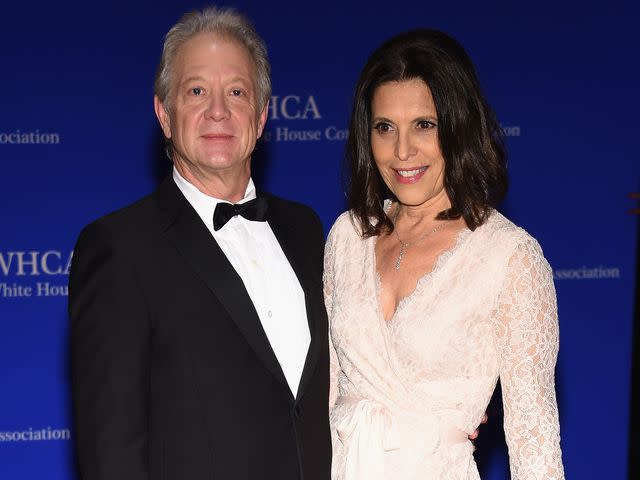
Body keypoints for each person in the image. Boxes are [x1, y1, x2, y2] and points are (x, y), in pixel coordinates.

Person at [69, 7, 330, 480]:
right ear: (164, 114)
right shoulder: (118, 249)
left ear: (263, 115)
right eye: (196, 92)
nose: (218, 111)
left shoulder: (307, 230)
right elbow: (111, 454)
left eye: (236, 92)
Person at [324, 30, 564, 479]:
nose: (402, 151)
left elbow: (535, 440)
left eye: (424, 125)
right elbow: (327, 395)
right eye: (384, 128)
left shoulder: (509, 258)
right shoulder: (346, 239)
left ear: (458, 128)